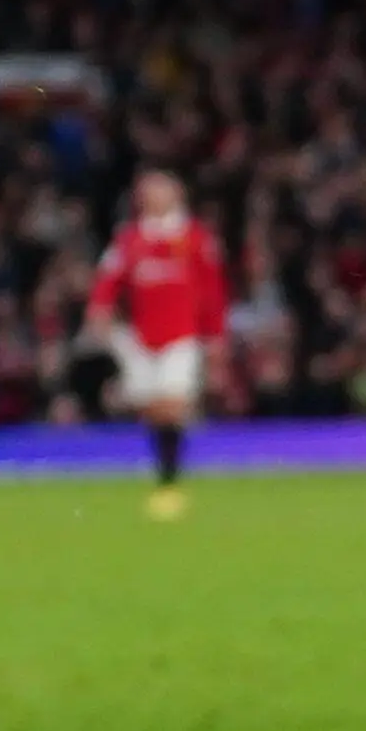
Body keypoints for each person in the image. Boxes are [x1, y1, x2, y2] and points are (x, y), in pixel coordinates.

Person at [85, 167, 230, 519]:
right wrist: (99, 309)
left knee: (173, 402)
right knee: (152, 407)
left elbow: (213, 290)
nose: (151, 197)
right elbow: (109, 278)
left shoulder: (195, 238)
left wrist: (215, 337)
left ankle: (169, 482)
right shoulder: (130, 239)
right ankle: (163, 467)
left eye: (159, 190)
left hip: (181, 335)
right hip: (140, 337)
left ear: (176, 196)